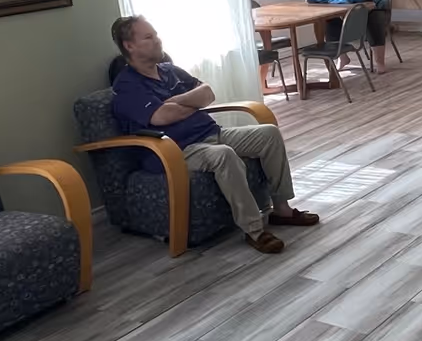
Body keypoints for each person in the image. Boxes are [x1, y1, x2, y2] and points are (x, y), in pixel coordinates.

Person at [108, 15, 318, 254]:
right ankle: (254, 230)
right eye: (149, 37)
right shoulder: (127, 85)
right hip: (176, 150)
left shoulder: (169, 70)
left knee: (268, 133)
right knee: (224, 155)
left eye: (156, 34)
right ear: (130, 45)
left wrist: (176, 102)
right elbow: (162, 117)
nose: (158, 40)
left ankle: (282, 209)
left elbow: (207, 93)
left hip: (211, 132)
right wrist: (188, 104)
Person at [307, 0, 392, 73]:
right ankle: (342, 57)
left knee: (375, 19)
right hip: (349, 15)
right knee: (330, 20)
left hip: (373, 10)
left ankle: (380, 62)